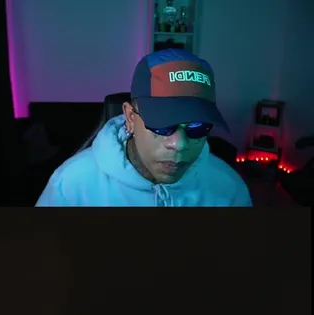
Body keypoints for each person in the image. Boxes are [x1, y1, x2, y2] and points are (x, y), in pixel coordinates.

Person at [37, 49, 251, 207]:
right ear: (130, 118)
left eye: (197, 127)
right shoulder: (71, 186)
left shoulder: (229, 189)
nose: (179, 144)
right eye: (163, 125)